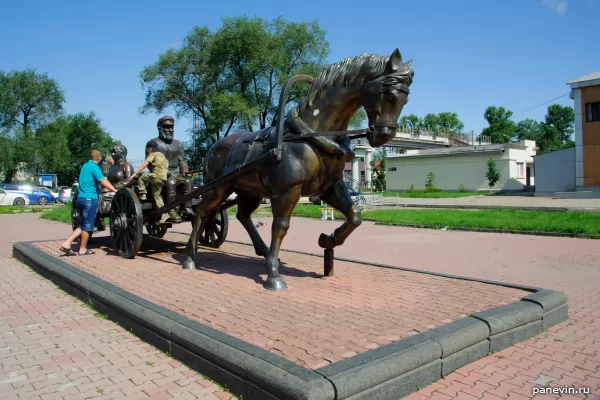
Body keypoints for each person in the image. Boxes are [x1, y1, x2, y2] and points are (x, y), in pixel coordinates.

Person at [59, 149, 117, 256]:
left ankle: (69, 244)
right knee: (87, 226)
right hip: (89, 199)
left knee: (82, 225)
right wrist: (114, 190)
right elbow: (103, 180)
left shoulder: (85, 166)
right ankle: (80, 248)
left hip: (81, 198)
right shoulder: (94, 167)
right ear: (99, 158)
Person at [146, 116, 193, 223]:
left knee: (188, 181)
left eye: (171, 127)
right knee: (171, 182)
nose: (170, 130)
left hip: (175, 172)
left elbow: (182, 161)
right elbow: (149, 162)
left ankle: (187, 209)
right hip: (159, 174)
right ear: (160, 128)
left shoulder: (178, 144)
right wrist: (162, 172)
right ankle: (171, 211)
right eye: (167, 127)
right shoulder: (153, 143)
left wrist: (185, 171)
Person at [130, 141, 170, 224]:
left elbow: (145, 164)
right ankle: (164, 214)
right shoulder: (163, 156)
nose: (147, 151)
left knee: (142, 176)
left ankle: (143, 194)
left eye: (147, 149)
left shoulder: (152, 154)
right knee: (157, 195)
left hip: (156, 177)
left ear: (150, 149)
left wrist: (134, 174)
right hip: (163, 179)